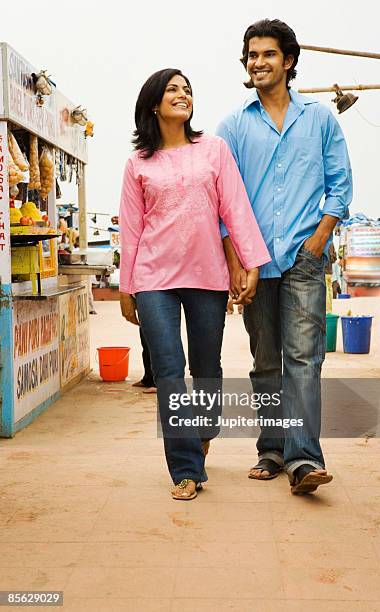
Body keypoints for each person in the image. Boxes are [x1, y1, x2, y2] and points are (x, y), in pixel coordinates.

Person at [119, 68, 271, 500]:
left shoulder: (214, 151)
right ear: (154, 103)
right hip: (154, 278)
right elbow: (132, 230)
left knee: (206, 368)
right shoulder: (138, 163)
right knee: (168, 371)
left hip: (207, 276)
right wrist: (128, 288)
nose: (183, 95)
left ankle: (205, 427)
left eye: (187, 89)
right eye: (173, 90)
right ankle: (185, 469)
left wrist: (251, 263)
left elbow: (236, 209)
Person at [217, 19, 352, 494]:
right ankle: (272, 449)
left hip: (303, 257)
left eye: (267, 54)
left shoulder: (319, 120)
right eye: (252, 55)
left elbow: (340, 189)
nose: (258, 62)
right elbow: (222, 200)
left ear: (288, 61)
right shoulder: (233, 126)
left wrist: (317, 242)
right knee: (265, 361)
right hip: (254, 263)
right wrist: (235, 262)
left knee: (304, 358)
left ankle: (303, 459)